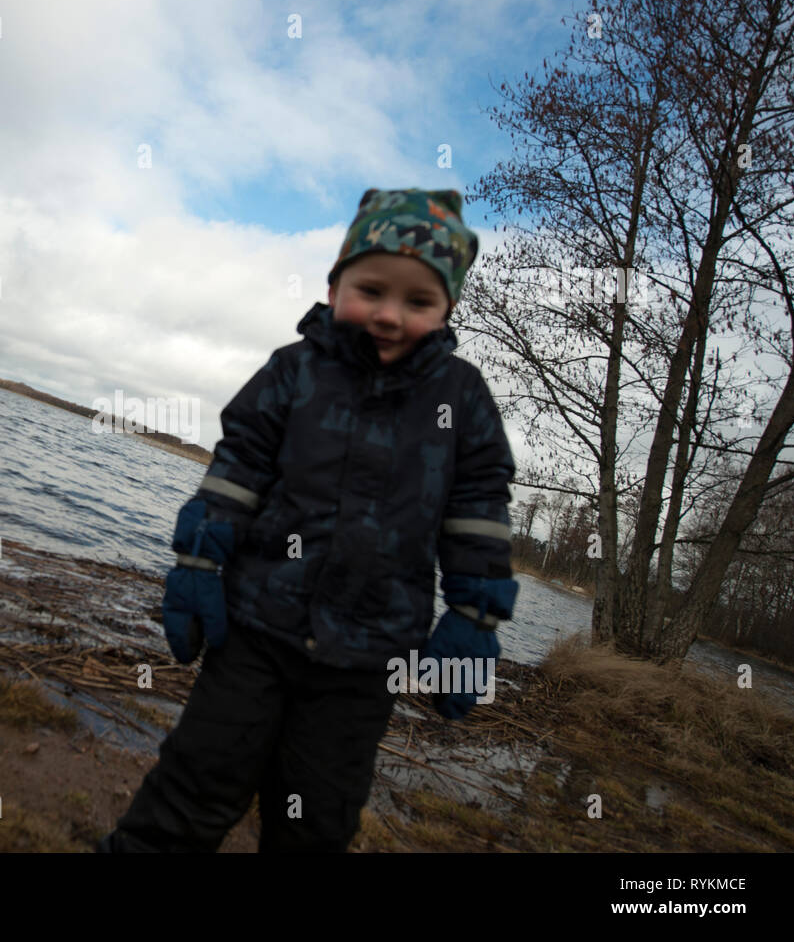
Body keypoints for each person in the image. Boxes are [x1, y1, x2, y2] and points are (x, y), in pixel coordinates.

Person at [97, 187, 519, 853]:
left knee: (315, 822)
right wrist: (199, 560)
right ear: (334, 283)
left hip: (367, 661)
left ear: (447, 310)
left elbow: (480, 509)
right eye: (371, 289)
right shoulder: (295, 370)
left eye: (417, 301)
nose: (388, 314)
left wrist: (474, 616)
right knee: (194, 784)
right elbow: (237, 468)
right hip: (255, 632)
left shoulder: (461, 399)